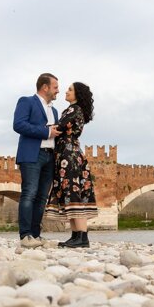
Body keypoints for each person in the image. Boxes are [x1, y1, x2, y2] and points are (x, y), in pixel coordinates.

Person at [46, 82, 98, 248]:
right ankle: (76, 236)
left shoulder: (74, 110)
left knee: (73, 193)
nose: (66, 92)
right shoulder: (75, 110)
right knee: (70, 193)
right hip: (69, 153)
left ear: (77, 94)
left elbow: (60, 127)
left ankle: (82, 237)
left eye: (70, 89)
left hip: (68, 155)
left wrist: (39, 128)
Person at [13, 73, 61, 248]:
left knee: (41, 198)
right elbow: (18, 124)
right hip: (32, 155)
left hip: (50, 156)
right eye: (55, 87)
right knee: (29, 193)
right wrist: (46, 132)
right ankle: (25, 235)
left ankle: (35, 235)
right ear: (45, 87)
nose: (58, 91)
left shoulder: (54, 111)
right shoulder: (26, 101)